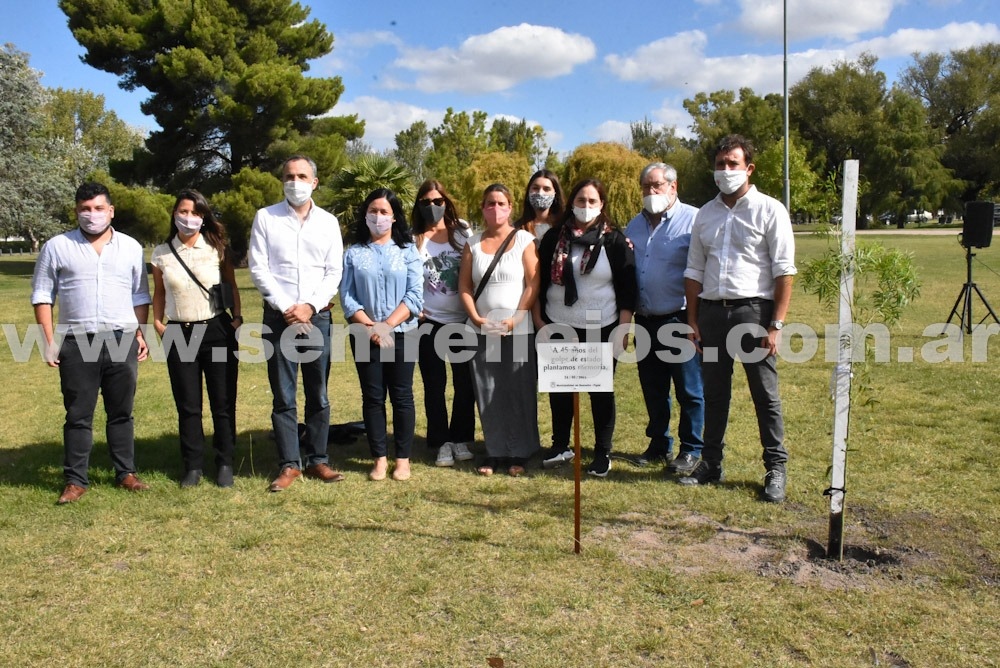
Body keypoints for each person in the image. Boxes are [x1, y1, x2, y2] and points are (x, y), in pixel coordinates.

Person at [683, 134, 796, 503]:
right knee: (715, 393)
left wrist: (775, 324)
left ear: (749, 168)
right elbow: (694, 271)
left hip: (753, 317)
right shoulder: (705, 214)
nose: (726, 170)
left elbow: (784, 271)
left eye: (733, 164)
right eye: (720, 164)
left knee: (765, 395)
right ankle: (710, 463)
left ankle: (775, 468)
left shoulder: (769, 210)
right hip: (714, 318)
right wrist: (694, 321)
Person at [31, 182, 152, 504]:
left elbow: (139, 294)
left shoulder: (130, 247)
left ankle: (125, 473)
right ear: (76, 211)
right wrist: (48, 339)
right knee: (78, 414)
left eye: (99, 208)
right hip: (75, 340)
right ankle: (75, 480)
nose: (92, 215)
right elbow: (42, 295)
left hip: (120, 338)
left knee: (121, 412)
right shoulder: (57, 246)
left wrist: (140, 334)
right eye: (85, 209)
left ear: (111, 211)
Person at [248, 154, 346, 491]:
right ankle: (289, 464)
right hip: (278, 319)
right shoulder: (266, 218)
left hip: (316, 318)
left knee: (318, 392)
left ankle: (318, 459)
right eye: (289, 175)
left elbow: (334, 270)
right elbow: (258, 267)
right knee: (283, 394)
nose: (295, 182)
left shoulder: (328, 222)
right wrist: (287, 307)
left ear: (314, 182)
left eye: (302, 176)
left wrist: (310, 306)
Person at [536, 179, 636, 477]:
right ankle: (561, 445)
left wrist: (624, 327)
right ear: (571, 203)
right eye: (581, 200)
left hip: (601, 325)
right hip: (559, 323)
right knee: (561, 388)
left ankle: (602, 453)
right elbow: (540, 279)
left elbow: (628, 288)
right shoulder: (555, 237)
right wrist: (540, 319)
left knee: (599, 390)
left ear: (602, 204)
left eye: (593, 201)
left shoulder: (615, 241)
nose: (586, 206)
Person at [151, 190, 242, 488]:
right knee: (188, 404)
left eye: (195, 213)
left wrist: (237, 317)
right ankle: (192, 466)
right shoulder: (162, 252)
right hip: (179, 332)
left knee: (222, 400)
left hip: (216, 331)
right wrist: (157, 322)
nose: (188, 218)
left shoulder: (216, 247)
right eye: (183, 211)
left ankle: (225, 462)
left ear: (203, 218)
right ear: (174, 213)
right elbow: (160, 291)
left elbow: (230, 284)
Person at [624, 163, 705, 476]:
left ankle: (691, 448)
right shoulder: (634, 224)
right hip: (645, 320)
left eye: (656, 185)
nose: (650, 192)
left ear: (674, 186)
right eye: (645, 186)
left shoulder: (694, 220)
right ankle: (659, 443)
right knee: (653, 388)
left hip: (681, 319)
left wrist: (697, 322)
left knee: (689, 389)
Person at [341, 188, 423, 481]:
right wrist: (371, 325)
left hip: (402, 333)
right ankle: (379, 458)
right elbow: (348, 297)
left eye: (384, 212)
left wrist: (387, 324)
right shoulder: (352, 253)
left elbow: (415, 295)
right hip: (365, 334)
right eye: (373, 211)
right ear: (365, 215)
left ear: (394, 216)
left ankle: (402, 459)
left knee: (402, 396)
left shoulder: (408, 251)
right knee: (373, 396)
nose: (378, 217)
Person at [459, 183, 540, 476]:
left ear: (510, 207)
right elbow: (465, 286)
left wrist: (517, 318)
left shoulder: (524, 240)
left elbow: (533, 283)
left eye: (501, 203)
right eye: (490, 203)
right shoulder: (473, 244)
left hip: (517, 329)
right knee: (488, 388)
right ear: (483, 208)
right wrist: (476, 319)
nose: (496, 209)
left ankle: (519, 451)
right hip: (483, 329)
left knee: (517, 390)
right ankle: (494, 451)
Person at [411, 179, 476, 467]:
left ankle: (461, 438)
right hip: (429, 322)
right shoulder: (413, 237)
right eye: (426, 202)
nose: (433, 207)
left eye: (438, 201)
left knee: (465, 384)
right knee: (434, 385)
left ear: (446, 202)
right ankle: (440, 442)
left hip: (462, 320)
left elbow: (475, 267)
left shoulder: (462, 231)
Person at [514, 169, 565, 240]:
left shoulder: (564, 228)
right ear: (528, 192)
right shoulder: (516, 229)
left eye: (546, 189)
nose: (540, 193)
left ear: (555, 194)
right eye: (535, 188)